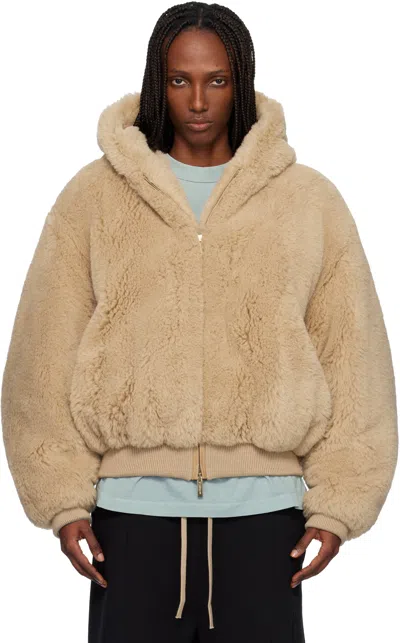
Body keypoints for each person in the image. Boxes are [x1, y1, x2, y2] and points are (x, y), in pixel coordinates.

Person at [1, 2, 398, 642]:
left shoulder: (308, 201)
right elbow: (42, 353)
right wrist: (61, 499)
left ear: (241, 82)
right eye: (179, 80)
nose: (197, 101)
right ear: (156, 84)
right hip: (129, 521)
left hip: (267, 523)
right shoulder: (94, 198)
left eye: (216, 80)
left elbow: (353, 355)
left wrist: (340, 504)